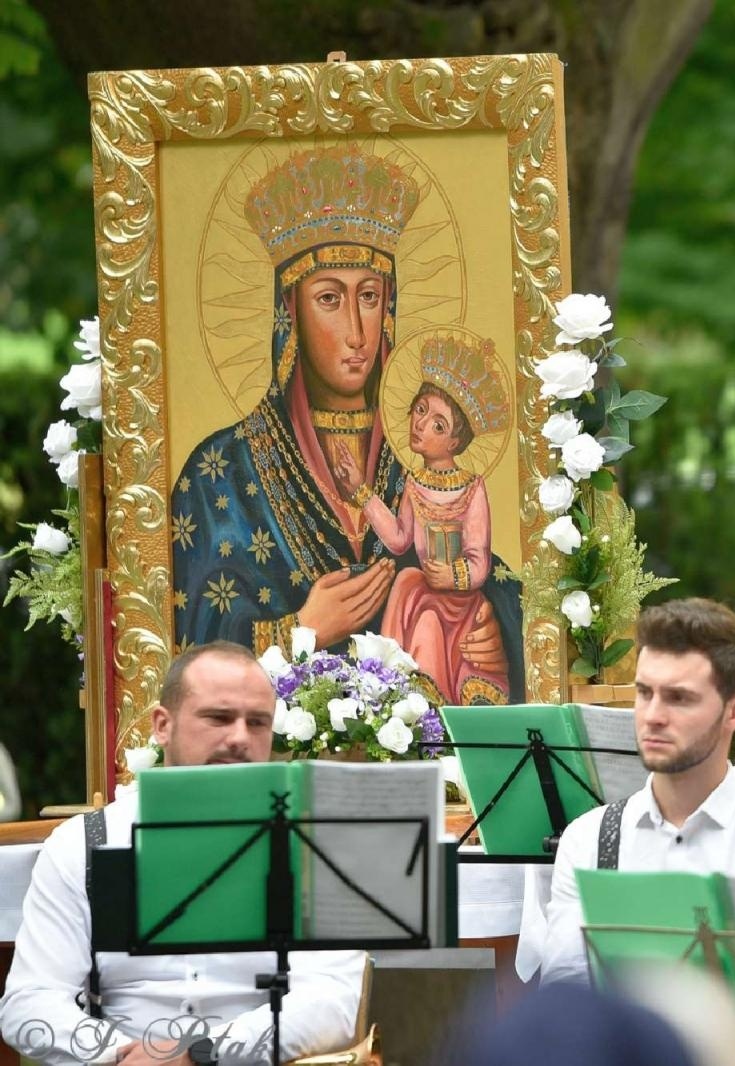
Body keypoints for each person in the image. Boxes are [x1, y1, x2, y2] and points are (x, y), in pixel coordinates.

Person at [170, 144, 522, 697]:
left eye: (371, 297)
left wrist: (489, 625)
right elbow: (188, 634)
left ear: (391, 309)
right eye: (330, 298)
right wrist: (298, 632)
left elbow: (481, 572)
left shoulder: (420, 463)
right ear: (290, 310)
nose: (358, 331)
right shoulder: (221, 473)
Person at [0, 642, 365, 1065]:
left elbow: (333, 1003)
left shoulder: (315, 850)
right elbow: (29, 1003)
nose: (240, 738)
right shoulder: (82, 846)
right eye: (219, 717)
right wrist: (121, 1054)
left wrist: (199, 1054)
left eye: (258, 723)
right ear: (162, 724)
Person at [535, 598, 735, 987]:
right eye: (645, 693)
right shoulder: (588, 839)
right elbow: (565, 998)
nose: (653, 715)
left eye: (679, 698)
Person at [332, 329, 511, 704]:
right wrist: (361, 491)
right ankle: (418, 712)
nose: (421, 424)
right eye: (420, 410)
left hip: (462, 604)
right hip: (422, 593)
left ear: (455, 442)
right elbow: (398, 539)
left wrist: (454, 575)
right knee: (412, 589)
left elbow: (479, 559)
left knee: (430, 616)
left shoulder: (472, 487)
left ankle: (440, 719)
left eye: (438, 424)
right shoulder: (414, 484)